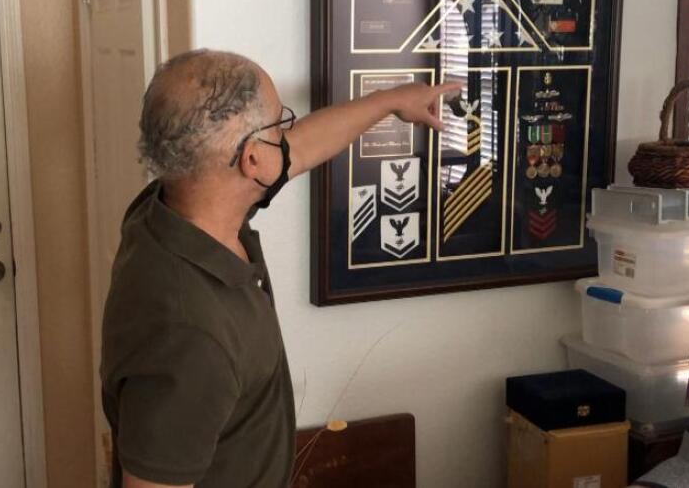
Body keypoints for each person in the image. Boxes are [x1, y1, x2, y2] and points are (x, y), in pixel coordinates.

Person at [100, 49, 460, 488]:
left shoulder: (173, 208)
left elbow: (301, 148)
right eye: (278, 125)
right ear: (252, 160)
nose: (287, 134)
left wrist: (390, 100)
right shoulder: (188, 332)